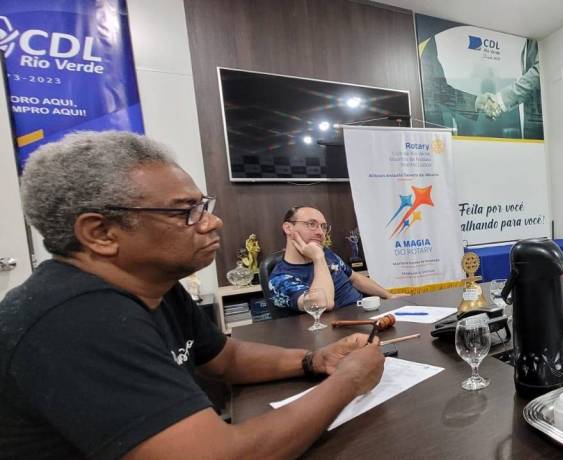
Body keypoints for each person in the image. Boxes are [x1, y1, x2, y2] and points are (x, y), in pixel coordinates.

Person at [0, 131, 385, 459]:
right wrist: (347, 382)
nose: (213, 221)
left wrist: (315, 360)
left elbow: (226, 358)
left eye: (204, 206)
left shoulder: (153, 285)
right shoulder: (75, 320)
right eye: (186, 211)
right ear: (100, 233)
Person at [269, 206, 407, 313]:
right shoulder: (280, 279)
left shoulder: (327, 254)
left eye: (323, 227)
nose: (320, 232)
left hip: (365, 315)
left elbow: (355, 279)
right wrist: (318, 258)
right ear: (288, 228)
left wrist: (389, 296)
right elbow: (323, 304)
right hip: (334, 330)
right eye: (311, 224)